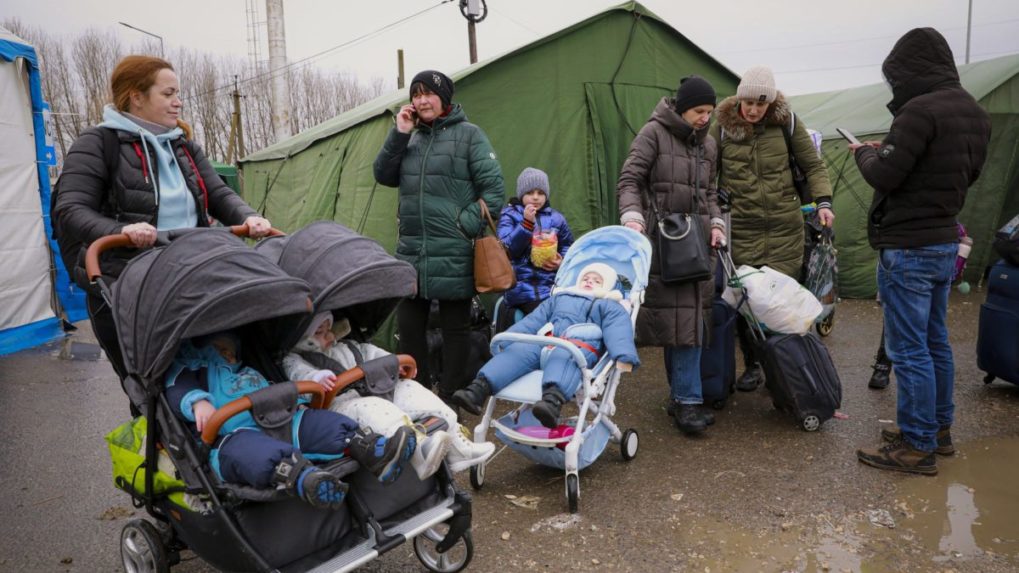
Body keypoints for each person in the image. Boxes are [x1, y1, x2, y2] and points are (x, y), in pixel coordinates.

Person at [53, 55, 271, 385]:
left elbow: (218, 195)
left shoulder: (184, 148)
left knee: (219, 367)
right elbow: (70, 209)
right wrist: (121, 231)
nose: (178, 102)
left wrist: (250, 217)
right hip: (125, 286)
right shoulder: (98, 143)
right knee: (152, 388)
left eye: (178, 94)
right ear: (136, 97)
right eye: (168, 94)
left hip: (191, 277)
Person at [852, 28, 990, 475]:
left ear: (909, 70)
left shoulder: (919, 111)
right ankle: (938, 430)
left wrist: (863, 155)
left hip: (908, 246)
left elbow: (885, 176)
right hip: (944, 240)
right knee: (935, 342)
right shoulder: (973, 112)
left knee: (908, 349)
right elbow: (964, 173)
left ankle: (916, 445)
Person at [372, 69, 504, 406]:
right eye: (416, 94)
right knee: (410, 330)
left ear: (444, 99)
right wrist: (399, 132)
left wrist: (463, 225)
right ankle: (418, 397)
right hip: (412, 252)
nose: (421, 100)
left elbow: (494, 190)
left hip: (454, 250)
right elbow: (383, 174)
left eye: (428, 93)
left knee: (455, 331)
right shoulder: (410, 138)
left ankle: (450, 398)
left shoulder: (470, 136)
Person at [165, 332, 416, 509]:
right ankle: (304, 479)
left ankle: (374, 450)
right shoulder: (193, 370)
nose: (228, 353)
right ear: (202, 349)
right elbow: (176, 386)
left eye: (230, 348)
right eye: (220, 349)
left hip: (281, 419)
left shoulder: (247, 369)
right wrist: (197, 402)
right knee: (254, 454)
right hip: (233, 436)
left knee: (322, 423)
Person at [710, 66, 834, 393]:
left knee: (781, 302)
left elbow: (813, 165)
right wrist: (715, 202)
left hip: (784, 229)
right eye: (748, 103)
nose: (753, 110)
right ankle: (752, 363)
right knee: (746, 302)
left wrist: (823, 202)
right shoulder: (721, 129)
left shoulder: (788, 124)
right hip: (742, 229)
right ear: (739, 99)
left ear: (771, 103)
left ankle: (783, 366)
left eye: (760, 105)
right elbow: (707, 174)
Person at [616, 75, 726, 435]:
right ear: (681, 107)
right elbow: (630, 179)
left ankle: (684, 398)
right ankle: (686, 401)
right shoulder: (653, 134)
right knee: (680, 320)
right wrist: (632, 217)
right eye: (698, 111)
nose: (704, 118)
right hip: (663, 240)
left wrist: (717, 226)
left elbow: (711, 192)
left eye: (709, 112)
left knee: (688, 318)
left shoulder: (708, 145)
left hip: (697, 244)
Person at [283, 313, 496, 476]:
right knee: (380, 409)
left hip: (375, 387)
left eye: (328, 328)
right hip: (340, 404)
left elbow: (372, 353)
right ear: (303, 338)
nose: (329, 336)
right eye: (319, 333)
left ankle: (458, 446)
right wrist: (316, 377)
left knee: (413, 390)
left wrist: (396, 363)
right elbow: (297, 373)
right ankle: (420, 450)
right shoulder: (295, 359)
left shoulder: (348, 345)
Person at [452, 263, 640, 429]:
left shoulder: (607, 305)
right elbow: (533, 321)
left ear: (608, 287)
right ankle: (478, 390)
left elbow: (618, 331)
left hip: (576, 346)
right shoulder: (559, 299)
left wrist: (624, 355)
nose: (589, 281)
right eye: (586, 278)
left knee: (564, 358)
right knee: (519, 351)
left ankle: (551, 402)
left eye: (597, 280)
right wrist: (508, 338)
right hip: (545, 342)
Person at [496, 167, 575, 331]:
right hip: (522, 288)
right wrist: (526, 224)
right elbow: (507, 250)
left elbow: (568, 245)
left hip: (552, 286)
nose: (535, 197)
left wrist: (562, 261)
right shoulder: (509, 215)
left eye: (540, 192)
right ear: (521, 194)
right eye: (530, 192)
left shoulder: (556, 218)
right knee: (543, 319)